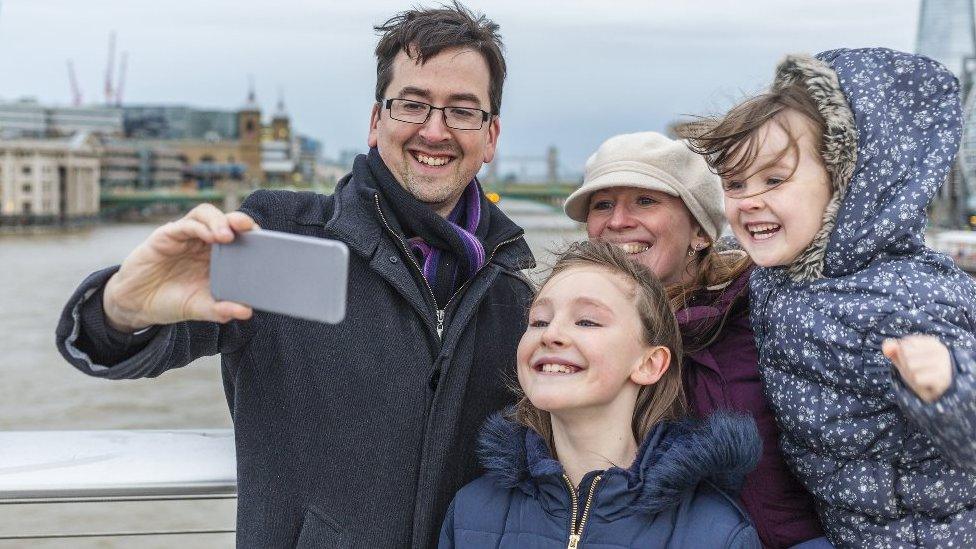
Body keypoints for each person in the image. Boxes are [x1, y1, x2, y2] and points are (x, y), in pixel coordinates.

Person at [54, 3, 535, 548]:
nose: (434, 130)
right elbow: (127, 341)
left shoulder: (513, 294)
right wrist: (121, 307)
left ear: (491, 136)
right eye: (413, 104)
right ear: (376, 122)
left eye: (462, 111)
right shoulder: (282, 235)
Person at [686, 48, 976, 547]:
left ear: (846, 186)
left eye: (775, 179)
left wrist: (948, 387)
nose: (749, 199)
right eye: (735, 184)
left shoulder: (902, 295)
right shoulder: (783, 274)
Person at [563, 132, 826, 548]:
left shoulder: (762, 321)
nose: (617, 221)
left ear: (701, 232)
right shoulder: (566, 335)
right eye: (603, 204)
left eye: (646, 201)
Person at [438, 241, 762, 548]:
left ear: (650, 363)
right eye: (538, 321)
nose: (551, 334)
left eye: (587, 321)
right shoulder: (471, 511)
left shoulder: (717, 532)